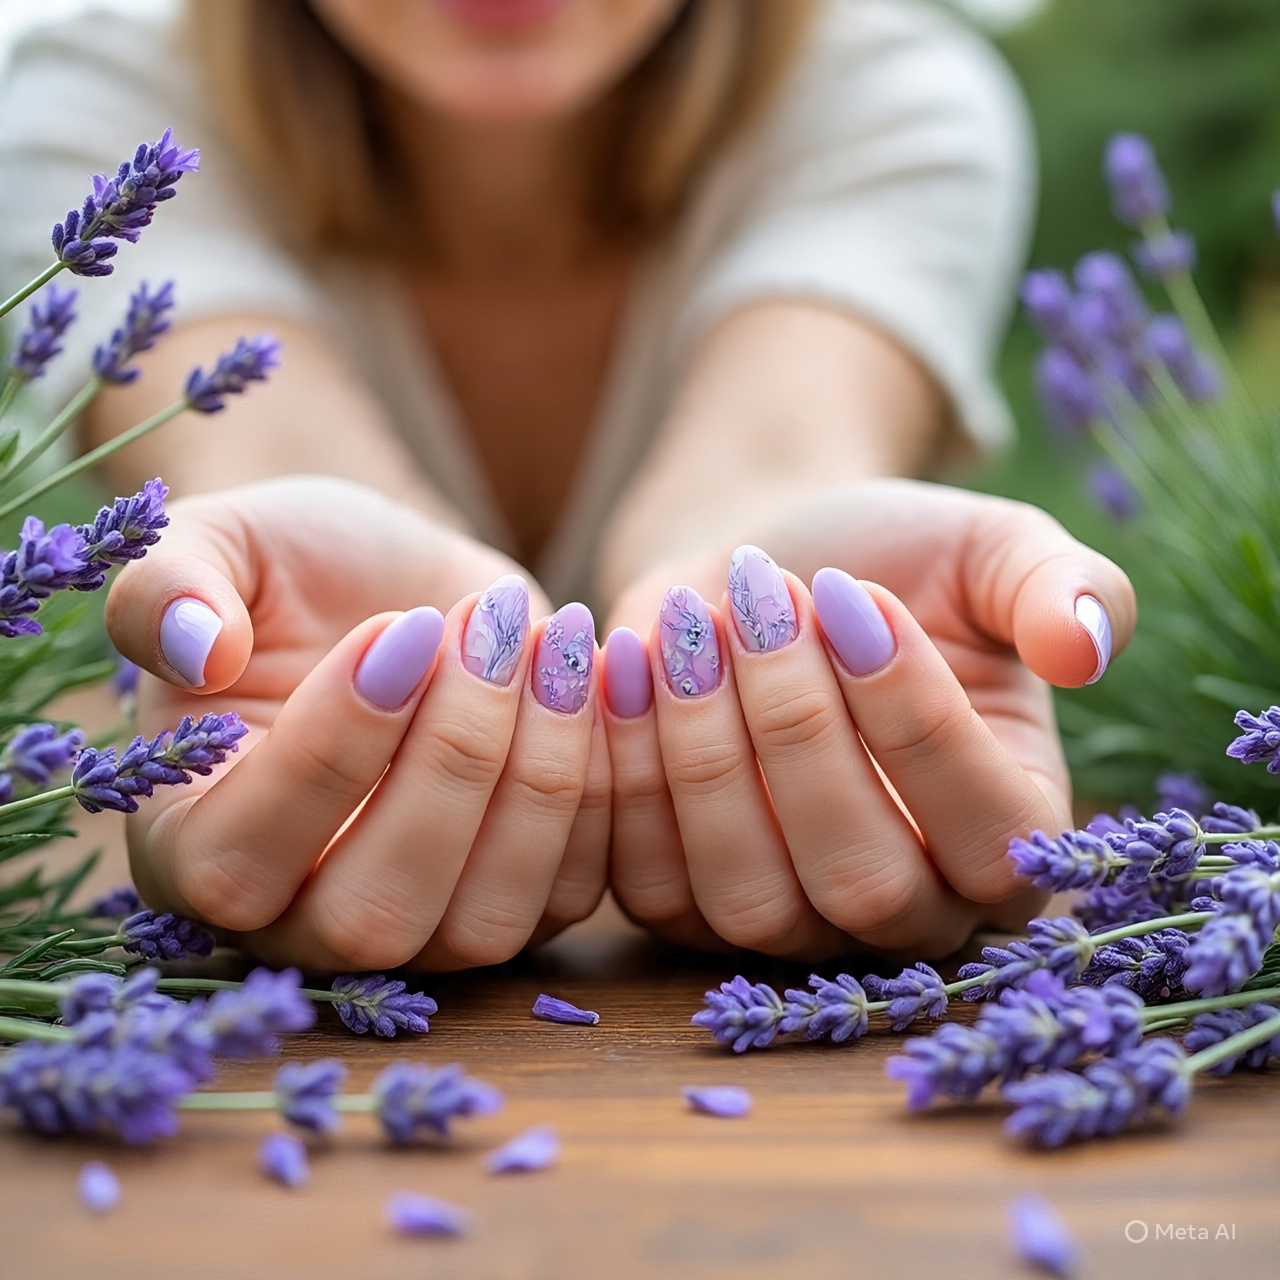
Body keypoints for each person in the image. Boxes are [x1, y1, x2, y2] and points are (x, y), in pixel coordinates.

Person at [0, 0, 1135, 971]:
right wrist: (266, 611)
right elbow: (256, 449)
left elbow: (776, 456)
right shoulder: (100, 94)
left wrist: (760, 597)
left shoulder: (889, 96)